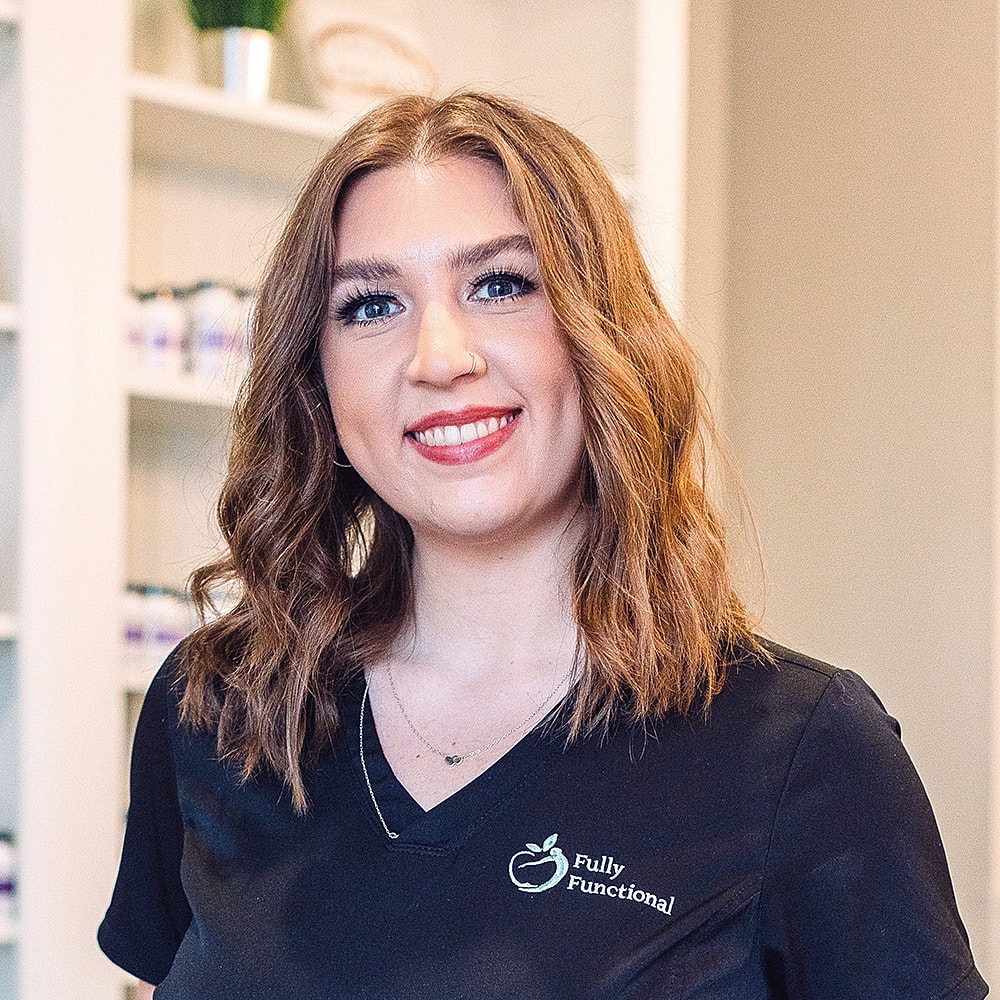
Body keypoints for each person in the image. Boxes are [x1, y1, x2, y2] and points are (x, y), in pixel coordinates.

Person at [99, 92, 988, 999]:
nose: (438, 356)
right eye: (370, 305)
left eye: (500, 285)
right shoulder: (220, 712)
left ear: (605, 338)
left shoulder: (808, 753)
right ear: (315, 380)